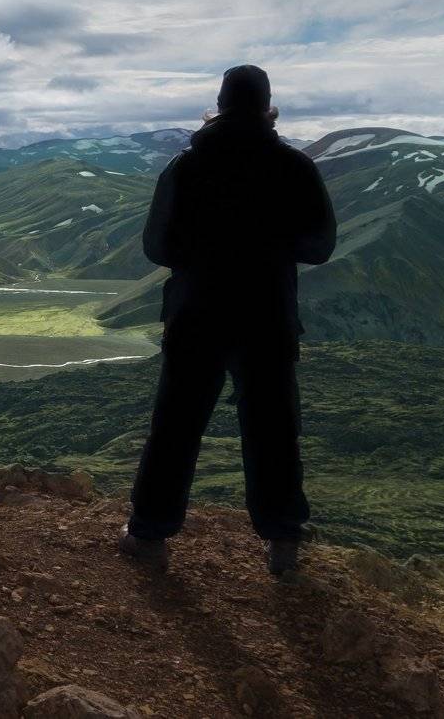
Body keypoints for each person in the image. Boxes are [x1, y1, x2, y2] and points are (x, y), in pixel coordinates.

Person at [117, 64, 336, 575]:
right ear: (267, 107)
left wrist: (202, 254)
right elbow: (320, 247)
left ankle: (149, 533)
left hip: (196, 313)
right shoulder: (295, 167)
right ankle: (282, 542)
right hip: (269, 315)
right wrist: (270, 247)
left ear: (217, 106)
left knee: (176, 425)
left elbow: (155, 247)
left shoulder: (185, 166)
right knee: (273, 427)